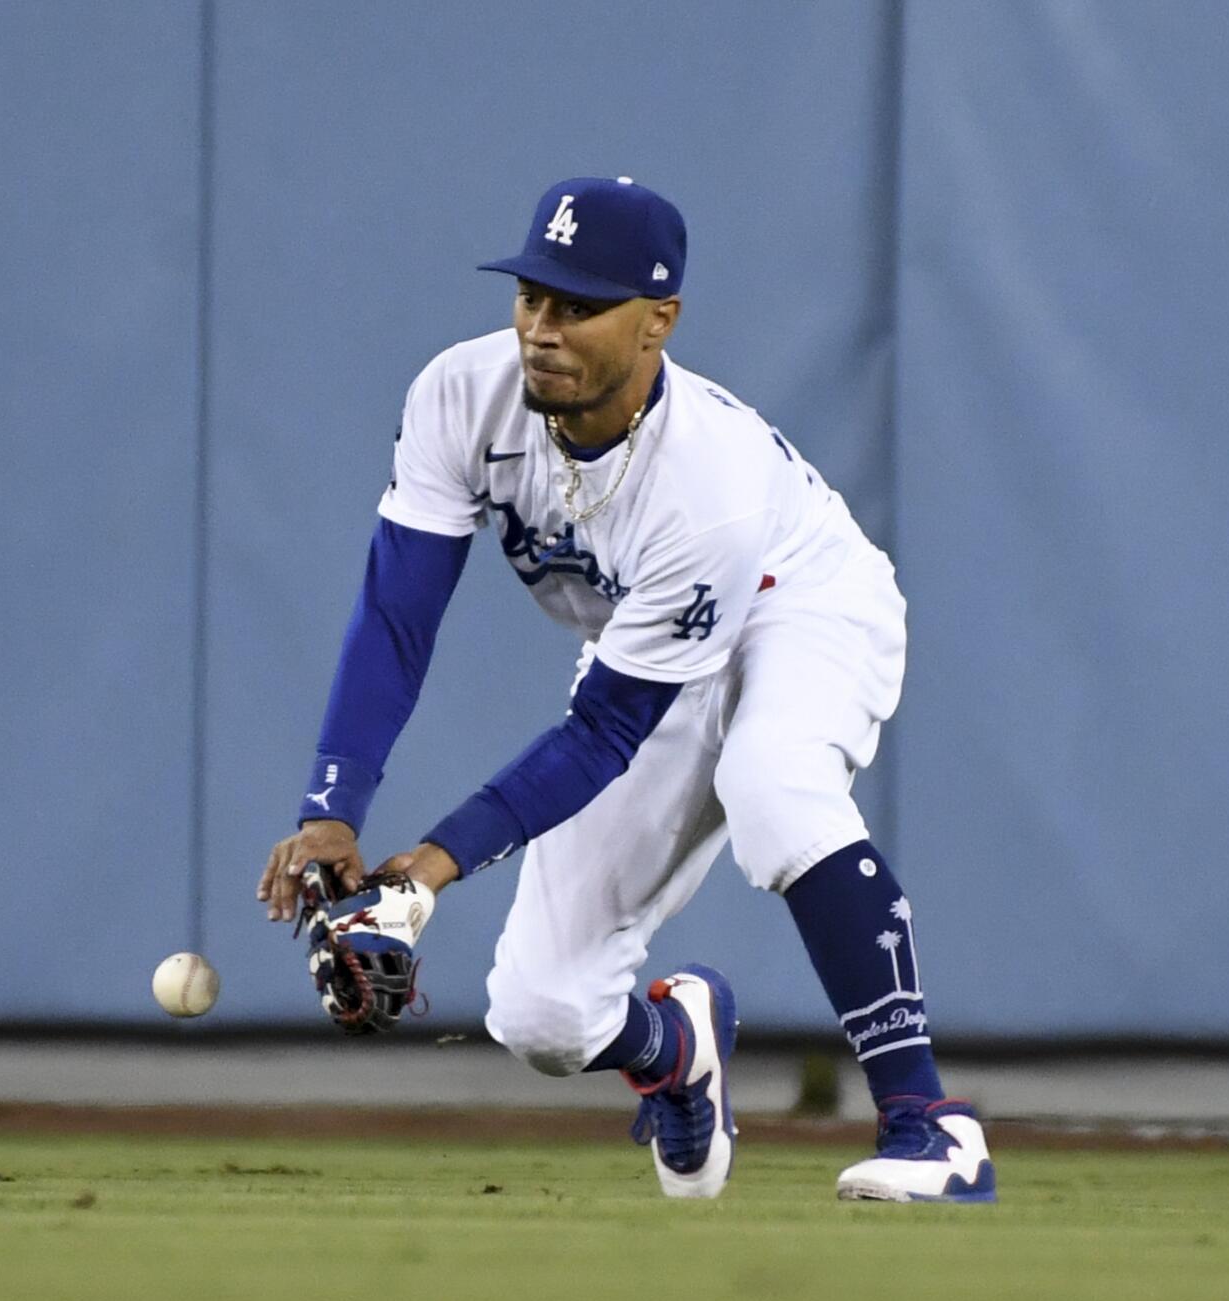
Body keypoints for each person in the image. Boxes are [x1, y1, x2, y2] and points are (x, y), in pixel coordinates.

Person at [256, 176, 995, 1203]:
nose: (541, 330)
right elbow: (396, 614)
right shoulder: (459, 395)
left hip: (802, 600)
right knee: (540, 1015)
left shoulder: (709, 486)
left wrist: (422, 874)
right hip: (645, 648)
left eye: (577, 306)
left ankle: (929, 1122)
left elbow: (603, 732)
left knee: (772, 787)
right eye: (530, 297)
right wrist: (330, 811)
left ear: (658, 323)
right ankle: (673, 1045)